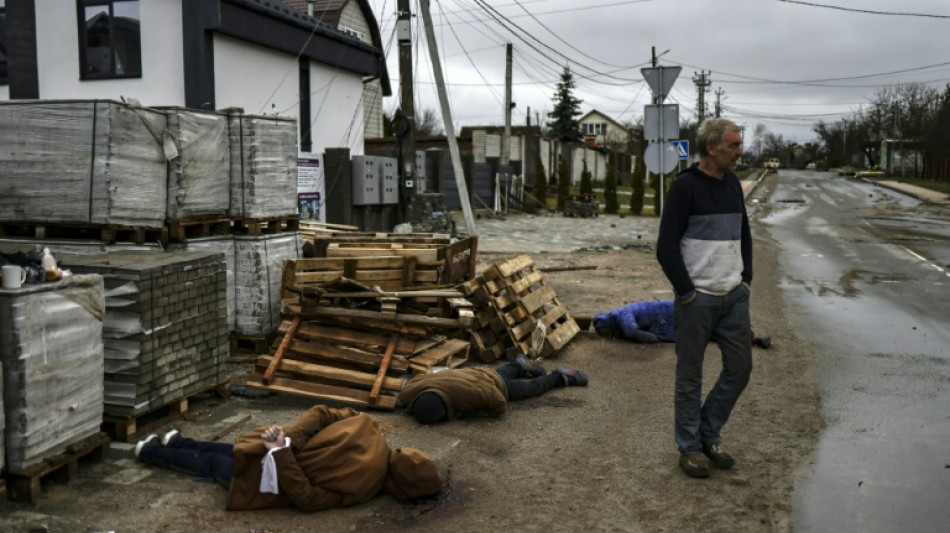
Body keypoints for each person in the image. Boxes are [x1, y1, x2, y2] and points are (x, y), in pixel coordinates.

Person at [656, 118, 754, 479]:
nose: (739, 151)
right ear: (711, 147)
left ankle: (709, 433)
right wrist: (686, 292)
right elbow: (665, 247)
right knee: (690, 375)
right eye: (733, 145)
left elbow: (744, 234)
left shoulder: (732, 185)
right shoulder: (685, 187)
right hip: (697, 299)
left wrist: (746, 279)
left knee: (740, 368)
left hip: (733, 296)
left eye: (739, 144)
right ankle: (690, 447)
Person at [133, 405, 442, 511]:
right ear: (401, 489)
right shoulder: (365, 488)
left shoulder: (368, 426)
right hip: (271, 478)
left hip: (273, 450)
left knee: (230, 450)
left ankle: (176, 441)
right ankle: (151, 451)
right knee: (215, 465)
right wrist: (284, 448)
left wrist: (292, 438)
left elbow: (322, 413)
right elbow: (307, 499)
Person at [399, 354, 588, 424]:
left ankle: (559, 377)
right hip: (474, 372)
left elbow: (498, 402)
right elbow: (418, 377)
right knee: (498, 373)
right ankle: (518, 365)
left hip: (494, 384)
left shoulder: (470, 394)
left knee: (532, 388)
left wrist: (479, 413)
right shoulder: (410, 391)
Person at [593, 299, 772, 348]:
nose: (608, 336)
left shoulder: (621, 314)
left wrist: (649, 338)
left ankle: (753, 338)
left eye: (606, 332)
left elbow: (632, 330)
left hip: (670, 316)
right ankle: (752, 338)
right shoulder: (620, 315)